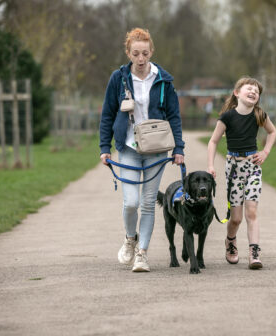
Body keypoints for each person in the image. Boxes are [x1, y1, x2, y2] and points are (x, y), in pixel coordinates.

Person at [99, 28, 185, 272]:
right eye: (135, 53)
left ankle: (142, 254)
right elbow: (107, 114)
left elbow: (174, 116)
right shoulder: (119, 78)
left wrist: (179, 147)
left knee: (148, 203)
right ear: (128, 52)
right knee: (131, 202)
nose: (140, 58)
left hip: (157, 149)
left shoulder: (163, 80)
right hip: (128, 148)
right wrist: (105, 148)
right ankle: (130, 238)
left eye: (145, 53)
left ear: (151, 52)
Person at [207, 77, 276, 269]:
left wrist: (265, 152)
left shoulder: (259, 114)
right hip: (234, 169)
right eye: (250, 88)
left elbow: (272, 132)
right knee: (236, 218)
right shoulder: (227, 117)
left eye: (257, 91)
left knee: (252, 212)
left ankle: (254, 252)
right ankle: (230, 241)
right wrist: (211, 165)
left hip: (253, 167)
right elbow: (213, 141)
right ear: (237, 93)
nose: (254, 92)